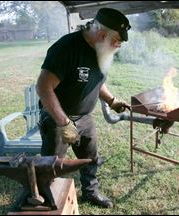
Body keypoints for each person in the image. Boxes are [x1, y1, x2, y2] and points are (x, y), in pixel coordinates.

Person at [36, 8, 131, 208]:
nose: (117, 47)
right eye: (116, 42)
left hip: (85, 117)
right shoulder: (67, 48)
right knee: (52, 163)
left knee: (90, 158)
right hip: (57, 118)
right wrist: (64, 123)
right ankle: (45, 198)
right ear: (102, 34)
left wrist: (112, 101)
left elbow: (97, 81)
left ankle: (90, 191)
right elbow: (43, 88)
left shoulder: (101, 49)